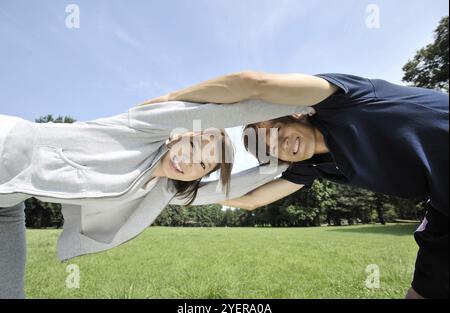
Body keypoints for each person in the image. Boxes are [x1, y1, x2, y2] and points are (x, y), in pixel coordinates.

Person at [145, 71, 449, 299]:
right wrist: (176, 196)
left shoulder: (343, 101)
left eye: (276, 130)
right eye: (270, 150)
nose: (280, 144)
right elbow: (253, 199)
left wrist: (170, 101)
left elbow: (254, 84)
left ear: (295, 114)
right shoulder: (311, 166)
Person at [0, 97, 313, 298]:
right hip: (6, 147)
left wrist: (280, 163)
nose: (188, 162)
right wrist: (308, 102)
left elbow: (226, 189)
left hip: (8, 203)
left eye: (201, 164)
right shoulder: (141, 131)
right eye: (191, 146)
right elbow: (230, 109)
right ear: (178, 135)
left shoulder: (162, 191)